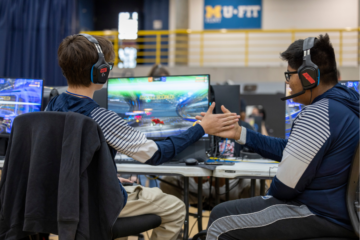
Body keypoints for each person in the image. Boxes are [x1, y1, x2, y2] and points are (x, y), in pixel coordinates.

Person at [46, 34, 239, 240]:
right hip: (94, 202)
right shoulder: (100, 117)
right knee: (174, 208)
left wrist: (104, 176)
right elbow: (156, 154)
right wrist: (201, 128)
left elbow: (67, 162)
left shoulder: (50, 108)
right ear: (100, 72)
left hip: (60, 202)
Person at [196, 34, 359, 239]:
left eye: (289, 74)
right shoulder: (344, 105)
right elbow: (290, 149)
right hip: (337, 214)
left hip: (317, 213)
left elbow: (284, 188)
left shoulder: (319, 113)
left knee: (220, 218)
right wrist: (240, 133)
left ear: (309, 76)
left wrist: (268, 196)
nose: (288, 82)